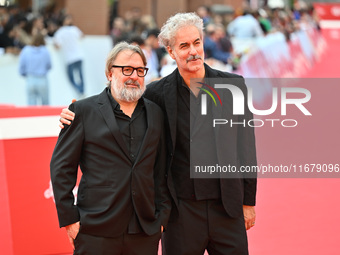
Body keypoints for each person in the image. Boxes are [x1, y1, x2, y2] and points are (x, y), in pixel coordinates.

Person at [60, 12, 257, 255]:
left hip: (227, 208)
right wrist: (74, 113)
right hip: (181, 213)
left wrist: (248, 201)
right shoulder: (156, 94)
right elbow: (118, 98)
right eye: (184, 46)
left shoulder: (233, 86)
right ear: (171, 52)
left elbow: (246, 148)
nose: (193, 51)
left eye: (196, 42)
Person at [51, 42, 171, 255]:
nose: (134, 76)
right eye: (126, 69)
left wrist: (161, 217)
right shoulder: (82, 111)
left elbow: (161, 170)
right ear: (109, 73)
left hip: (145, 231)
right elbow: (61, 168)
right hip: (95, 229)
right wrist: (70, 220)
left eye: (140, 70)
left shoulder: (156, 114)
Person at [54, 14, 85, 97]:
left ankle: (79, 90)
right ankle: (81, 90)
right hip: (78, 55)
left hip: (70, 58)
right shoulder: (74, 29)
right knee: (80, 75)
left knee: (72, 77)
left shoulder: (60, 32)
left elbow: (57, 45)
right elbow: (82, 36)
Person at [18, 32, 51, 105]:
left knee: (31, 106)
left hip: (30, 79)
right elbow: (49, 65)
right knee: (45, 104)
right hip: (42, 79)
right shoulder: (45, 51)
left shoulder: (26, 50)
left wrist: (25, 75)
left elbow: (21, 67)